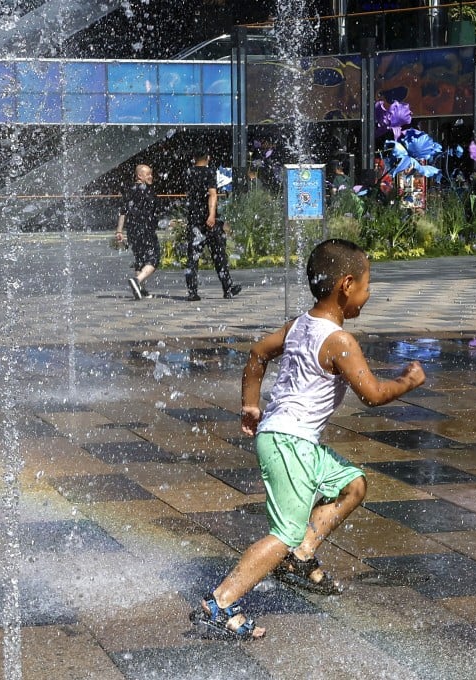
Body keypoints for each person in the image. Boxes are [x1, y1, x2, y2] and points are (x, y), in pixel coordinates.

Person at [190, 239, 426, 641]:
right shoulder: (339, 341)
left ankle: (300, 557)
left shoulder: (299, 325)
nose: (368, 297)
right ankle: (221, 603)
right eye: (367, 287)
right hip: (291, 443)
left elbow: (257, 354)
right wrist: (408, 381)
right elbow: (371, 394)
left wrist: (251, 404)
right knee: (283, 532)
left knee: (353, 484)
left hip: (289, 440)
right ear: (346, 285)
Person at [183, 149, 241, 302]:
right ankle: (227, 288)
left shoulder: (188, 172)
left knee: (193, 256)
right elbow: (212, 194)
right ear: (208, 158)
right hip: (208, 220)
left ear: (194, 158)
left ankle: (192, 291)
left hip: (193, 219)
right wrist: (211, 214)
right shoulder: (209, 172)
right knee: (218, 254)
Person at [115, 164, 160, 300]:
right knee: (154, 258)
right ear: (140, 176)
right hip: (146, 229)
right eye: (148, 174)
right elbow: (154, 212)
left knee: (140, 259)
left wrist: (119, 230)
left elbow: (123, 211)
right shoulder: (148, 191)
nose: (151, 176)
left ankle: (141, 290)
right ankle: (137, 280)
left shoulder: (129, 190)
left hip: (133, 230)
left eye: (151, 174)